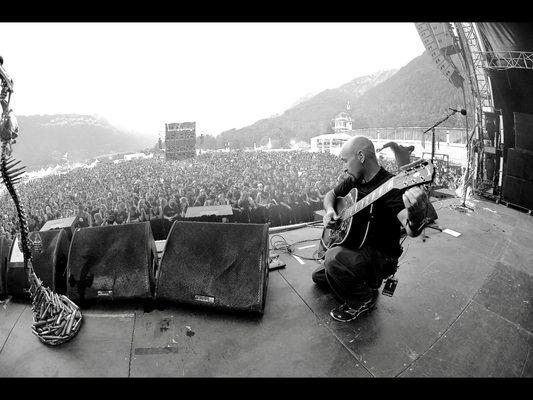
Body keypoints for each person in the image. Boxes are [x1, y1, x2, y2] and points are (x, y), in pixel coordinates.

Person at [313, 136, 436, 323]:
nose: (344, 167)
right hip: (357, 247)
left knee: (332, 258)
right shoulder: (355, 179)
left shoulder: (392, 186)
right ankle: (360, 282)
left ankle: (363, 300)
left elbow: (412, 230)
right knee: (319, 277)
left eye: (345, 161)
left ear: (361, 156)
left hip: (380, 256)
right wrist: (330, 211)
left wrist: (417, 215)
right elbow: (331, 195)